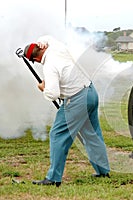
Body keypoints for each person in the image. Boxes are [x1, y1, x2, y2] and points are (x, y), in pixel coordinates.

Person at [23, 35, 110, 187]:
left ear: (35, 59)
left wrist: (42, 87)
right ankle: (103, 171)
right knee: (92, 134)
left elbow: (53, 94)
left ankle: (53, 178)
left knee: (57, 135)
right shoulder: (56, 47)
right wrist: (42, 39)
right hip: (90, 92)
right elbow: (49, 38)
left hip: (76, 99)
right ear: (42, 46)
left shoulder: (49, 66)